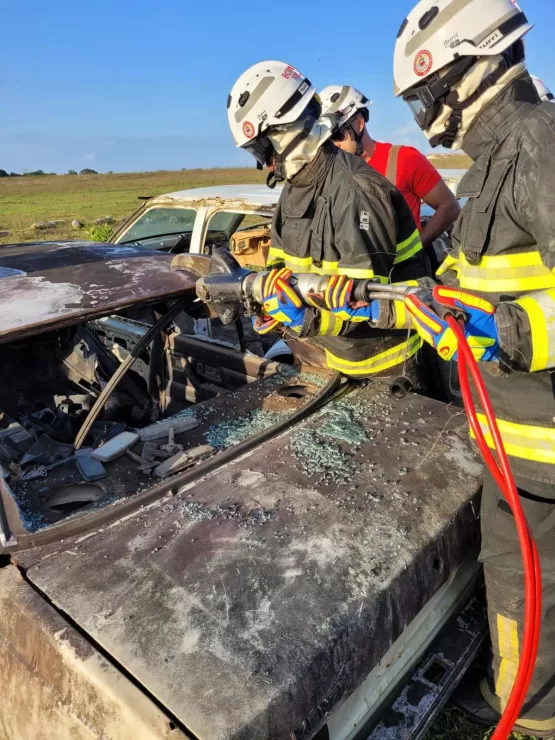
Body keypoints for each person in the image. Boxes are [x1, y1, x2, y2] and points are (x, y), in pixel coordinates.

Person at [393, 0, 555, 736]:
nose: (424, 113)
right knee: (513, 581)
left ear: (464, 69)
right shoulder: (493, 163)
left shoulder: (538, 146)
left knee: (531, 589)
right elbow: (497, 276)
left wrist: (507, 332)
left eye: (423, 95)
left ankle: (532, 716)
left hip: (543, 449)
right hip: (509, 441)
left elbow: (518, 317)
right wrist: (441, 298)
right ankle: (514, 693)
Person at [227, 61, 429, 382]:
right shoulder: (293, 192)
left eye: (262, 149)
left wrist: (307, 320)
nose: (264, 164)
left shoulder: (358, 190)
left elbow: (361, 305)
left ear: (285, 130)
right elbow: (279, 270)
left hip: (386, 367)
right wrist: (267, 303)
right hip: (332, 359)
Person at [320, 85, 460, 271]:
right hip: (358, 283)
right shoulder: (333, 173)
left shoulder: (404, 160)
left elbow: (449, 207)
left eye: (337, 135)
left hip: (404, 282)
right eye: (327, 140)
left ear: (359, 123)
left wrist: (415, 248)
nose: (334, 145)